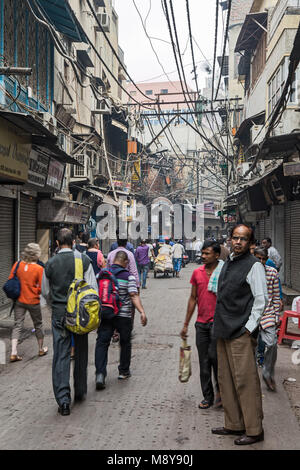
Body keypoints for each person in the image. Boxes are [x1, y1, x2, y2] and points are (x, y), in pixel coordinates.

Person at [211, 224, 268, 446]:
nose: (238, 242)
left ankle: (254, 430)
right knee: (226, 380)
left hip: (241, 333)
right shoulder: (227, 263)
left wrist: (248, 328)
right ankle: (233, 424)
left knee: (246, 382)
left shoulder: (254, 266)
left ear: (251, 243)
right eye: (235, 237)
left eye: (243, 239)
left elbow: (261, 300)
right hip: (224, 330)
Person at [41, 228, 97, 416]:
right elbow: (92, 290)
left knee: (61, 355)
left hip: (59, 315)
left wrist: (55, 306)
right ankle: (80, 391)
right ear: (74, 242)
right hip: (80, 316)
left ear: (57, 243)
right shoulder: (83, 260)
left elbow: (45, 292)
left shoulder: (50, 264)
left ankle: (63, 401)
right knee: (81, 351)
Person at [95, 250, 147, 389]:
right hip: (123, 316)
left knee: (102, 343)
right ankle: (123, 371)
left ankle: (100, 374)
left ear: (113, 261)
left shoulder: (101, 274)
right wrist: (142, 312)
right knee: (125, 342)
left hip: (106, 314)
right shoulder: (128, 277)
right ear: (125, 262)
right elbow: (133, 295)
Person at [180, 241, 223, 409]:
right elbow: (193, 298)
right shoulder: (197, 273)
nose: (203, 256)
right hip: (201, 324)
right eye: (203, 253)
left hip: (219, 324)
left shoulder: (224, 272)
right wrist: (185, 324)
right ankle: (208, 396)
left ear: (217, 255)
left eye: (207, 254)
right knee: (204, 362)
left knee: (216, 359)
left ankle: (221, 391)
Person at [9, 243, 48, 362]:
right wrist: (34, 289)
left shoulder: (17, 264)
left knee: (17, 325)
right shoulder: (39, 269)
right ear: (36, 254)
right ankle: (41, 349)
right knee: (38, 325)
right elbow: (42, 287)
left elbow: (11, 279)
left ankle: (13, 352)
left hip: (19, 300)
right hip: (33, 301)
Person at [254, 247, 281, 392]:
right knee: (249, 348)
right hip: (250, 315)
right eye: (258, 258)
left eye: (263, 259)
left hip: (268, 314)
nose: (261, 261)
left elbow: (276, 297)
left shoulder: (272, 273)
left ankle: (267, 373)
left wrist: (276, 316)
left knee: (272, 344)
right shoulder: (248, 273)